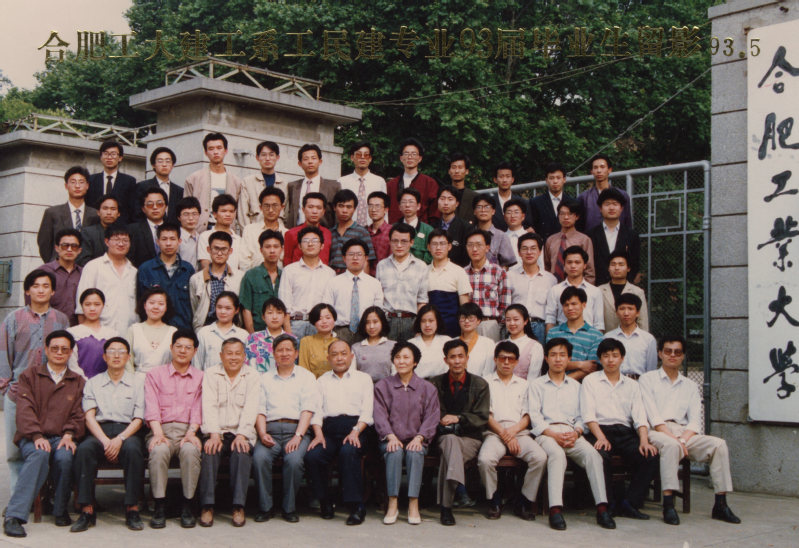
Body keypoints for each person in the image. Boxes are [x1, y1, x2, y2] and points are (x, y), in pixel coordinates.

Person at [641, 336, 741, 525]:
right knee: (671, 446)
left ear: (683, 356)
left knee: (718, 445)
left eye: (677, 352)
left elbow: (695, 422)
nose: (672, 355)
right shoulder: (647, 379)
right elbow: (654, 418)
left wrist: (683, 440)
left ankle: (720, 504)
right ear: (660, 353)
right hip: (656, 431)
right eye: (668, 351)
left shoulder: (690, 385)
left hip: (683, 433)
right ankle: (668, 504)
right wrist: (676, 441)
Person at [2, 330, 85, 538]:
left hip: (61, 436)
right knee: (39, 454)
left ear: (70, 352)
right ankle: (14, 516)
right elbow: (24, 410)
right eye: (54, 348)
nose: (59, 353)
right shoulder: (29, 376)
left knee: (65, 455)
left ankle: (60, 509)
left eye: (64, 349)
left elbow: (78, 413)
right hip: (33, 436)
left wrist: (69, 434)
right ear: (46, 350)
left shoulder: (77, 381)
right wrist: (37, 436)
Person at [528, 337, 616, 531]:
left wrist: (576, 433)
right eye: (553, 355)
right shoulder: (536, 385)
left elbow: (582, 416)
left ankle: (602, 508)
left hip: (571, 433)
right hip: (547, 434)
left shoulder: (577, 386)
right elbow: (535, 417)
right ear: (546, 358)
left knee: (593, 456)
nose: (558, 359)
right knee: (557, 455)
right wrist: (553, 434)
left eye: (562, 355)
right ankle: (555, 510)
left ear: (569, 359)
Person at [0, 270, 70, 491]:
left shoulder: (61, 320)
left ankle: (45, 496)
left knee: (46, 447)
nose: (41, 290)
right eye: (36, 286)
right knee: (15, 452)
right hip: (18, 392)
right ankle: (19, 497)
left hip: (51, 394)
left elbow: (66, 355)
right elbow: (4, 354)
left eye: (46, 286)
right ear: (28, 290)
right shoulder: (13, 319)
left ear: (53, 291)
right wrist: (6, 387)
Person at [71, 336, 146, 532]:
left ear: (128, 357)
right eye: (112, 351)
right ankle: (87, 509)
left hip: (127, 431)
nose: (116, 355)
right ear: (104, 357)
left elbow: (139, 418)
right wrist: (105, 441)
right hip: (99, 431)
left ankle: (132, 508)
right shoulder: (93, 382)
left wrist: (120, 439)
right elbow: (89, 416)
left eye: (121, 352)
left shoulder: (138, 383)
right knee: (84, 450)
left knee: (133, 450)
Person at [581, 338, 658, 519]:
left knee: (650, 456)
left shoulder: (632, 385)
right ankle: (608, 504)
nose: (610, 360)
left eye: (615, 355)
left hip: (625, 432)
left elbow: (640, 417)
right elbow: (588, 415)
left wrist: (644, 441)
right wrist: (601, 437)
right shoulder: (590, 381)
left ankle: (630, 503)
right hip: (599, 431)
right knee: (601, 456)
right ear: (600, 358)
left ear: (622, 358)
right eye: (606, 356)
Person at [305, 339, 373, 525]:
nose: (339, 358)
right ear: (328, 358)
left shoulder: (363, 379)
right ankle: (325, 501)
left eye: (344, 354)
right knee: (313, 456)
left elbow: (367, 411)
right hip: (328, 429)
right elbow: (316, 411)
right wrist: (318, 433)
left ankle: (356, 506)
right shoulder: (321, 381)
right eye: (334, 355)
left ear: (351, 356)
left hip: (357, 428)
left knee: (348, 452)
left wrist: (355, 431)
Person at [252, 334, 319, 523]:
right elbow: (260, 409)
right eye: (280, 350)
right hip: (270, 431)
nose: (284, 354)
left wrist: (298, 436)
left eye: (288, 350)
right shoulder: (264, 378)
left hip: (296, 430)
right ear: (273, 354)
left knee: (294, 460)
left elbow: (307, 409)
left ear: (296, 353)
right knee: (259, 458)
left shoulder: (306, 377)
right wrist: (262, 433)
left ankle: (289, 508)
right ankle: (265, 507)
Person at [478, 341, 547, 520]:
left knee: (540, 457)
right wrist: (505, 435)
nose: (506, 362)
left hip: (519, 433)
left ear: (517, 362)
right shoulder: (485, 382)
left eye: (511, 359)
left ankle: (523, 500)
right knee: (485, 460)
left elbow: (528, 416)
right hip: (494, 432)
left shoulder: (525, 385)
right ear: (495, 359)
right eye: (502, 358)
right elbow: (486, 415)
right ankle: (494, 499)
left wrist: (512, 433)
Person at [374, 340, 440, 525]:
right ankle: (392, 502)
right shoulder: (383, 386)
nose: (401, 361)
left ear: (415, 362)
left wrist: (420, 437)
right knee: (394, 451)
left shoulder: (427, 388)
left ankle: (413, 502)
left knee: (414, 453)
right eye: (397, 357)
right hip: (390, 438)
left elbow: (432, 416)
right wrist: (390, 436)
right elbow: (379, 414)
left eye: (406, 357)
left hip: (417, 438)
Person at [145, 329, 203, 529]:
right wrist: (158, 433)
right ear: (171, 348)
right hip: (160, 429)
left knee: (191, 451)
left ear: (195, 351)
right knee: (159, 450)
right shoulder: (155, 374)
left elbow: (198, 408)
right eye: (178, 346)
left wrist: (191, 432)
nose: (182, 351)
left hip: (188, 431)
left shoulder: (201, 377)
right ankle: (159, 505)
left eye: (188, 347)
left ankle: (188, 505)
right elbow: (151, 407)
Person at [197, 338, 259, 528]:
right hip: (217, 431)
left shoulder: (252, 375)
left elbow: (251, 407)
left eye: (238, 353)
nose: (233, 357)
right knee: (210, 451)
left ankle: (238, 506)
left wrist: (242, 434)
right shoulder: (211, 373)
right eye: (229, 353)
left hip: (241, 431)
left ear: (244, 356)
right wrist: (214, 434)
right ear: (221, 356)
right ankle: (207, 506)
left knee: (241, 452)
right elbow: (208, 405)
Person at [430, 339, 490, 526]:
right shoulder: (435, 383)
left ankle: (446, 507)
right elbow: (432, 412)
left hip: (470, 439)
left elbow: (482, 417)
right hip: (443, 437)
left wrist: (459, 418)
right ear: (445, 360)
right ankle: (459, 491)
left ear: (467, 358)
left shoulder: (480, 384)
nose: (457, 361)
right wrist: (443, 419)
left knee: (451, 449)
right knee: (449, 440)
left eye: (460, 356)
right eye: (452, 357)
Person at [75, 224, 138, 335]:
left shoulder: (134, 271)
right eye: (116, 240)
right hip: (99, 333)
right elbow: (81, 306)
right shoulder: (93, 267)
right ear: (107, 241)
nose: (121, 244)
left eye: (125, 240)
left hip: (128, 333)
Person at [278, 226, 336, 339]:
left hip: (320, 325)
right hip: (295, 325)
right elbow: (284, 304)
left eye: (315, 240)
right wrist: (289, 333)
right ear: (299, 246)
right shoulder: (289, 271)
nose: (310, 244)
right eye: (305, 241)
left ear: (322, 245)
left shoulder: (330, 273)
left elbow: (330, 306)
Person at [136, 222, 196, 331]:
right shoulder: (146, 269)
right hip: (154, 329)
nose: (168, 243)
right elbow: (140, 303)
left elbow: (193, 304)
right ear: (157, 242)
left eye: (172, 239)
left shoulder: (187, 269)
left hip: (182, 330)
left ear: (179, 241)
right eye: (164, 239)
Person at [323, 238, 384, 343]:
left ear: (366, 258)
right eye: (351, 254)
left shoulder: (375, 284)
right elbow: (326, 310)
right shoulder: (333, 282)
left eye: (359, 254)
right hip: (339, 332)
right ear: (344, 258)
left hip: (366, 332)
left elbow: (378, 312)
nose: (355, 258)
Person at [376, 223, 429, 340]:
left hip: (411, 322)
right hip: (387, 321)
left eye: (404, 241)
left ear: (412, 242)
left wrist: (418, 326)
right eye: (395, 241)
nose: (399, 245)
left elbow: (422, 300)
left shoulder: (421, 266)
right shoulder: (382, 265)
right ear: (390, 242)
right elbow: (378, 298)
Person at [38, 166, 99, 263]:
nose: (77, 186)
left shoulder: (96, 214)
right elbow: (44, 244)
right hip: (59, 266)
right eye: (73, 182)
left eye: (81, 182)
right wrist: (54, 265)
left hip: (87, 267)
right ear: (66, 186)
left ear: (87, 186)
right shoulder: (52, 213)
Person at [184, 132, 243, 231]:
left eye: (219, 148)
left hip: (227, 229)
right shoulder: (193, 179)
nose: (215, 152)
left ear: (226, 150)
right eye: (211, 149)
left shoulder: (236, 181)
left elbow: (238, 212)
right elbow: (186, 208)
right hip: (201, 229)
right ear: (206, 152)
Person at [507, 232, 557, 343]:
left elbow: (551, 311)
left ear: (540, 251)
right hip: (516, 326)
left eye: (533, 248)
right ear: (519, 252)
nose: (529, 252)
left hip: (540, 327)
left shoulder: (550, 279)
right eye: (524, 249)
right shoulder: (509, 276)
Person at [545, 287, 604, 381]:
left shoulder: (596, 335)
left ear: (583, 305)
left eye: (574, 304)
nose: (570, 308)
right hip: (555, 385)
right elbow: (551, 363)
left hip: (585, 385)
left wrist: (564, 381)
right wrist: (580, 364)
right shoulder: (553, 333)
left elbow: (592, 367)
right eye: (566, 305)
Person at [188, 231, 244, 330]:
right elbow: (195, 307)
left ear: (230, 251)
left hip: (233, 327)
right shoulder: (196, 279)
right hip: (205, 327)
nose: (219, 253)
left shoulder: (240, 277)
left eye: (224, 249)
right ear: (209, 250)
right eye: (216, 249)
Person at [464, 229, 511, 342]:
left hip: (490, 325)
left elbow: (505, 305)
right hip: (467, 325)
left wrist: (498, 325)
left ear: (487, 247)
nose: (474, 249)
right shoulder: (462, 273)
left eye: (479, 245)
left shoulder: (498, 272)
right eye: (470, 245)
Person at [545, 245, 604, 333]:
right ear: (564, 265)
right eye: (569, 262)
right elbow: (550, 319)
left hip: (588, 337)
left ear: (584, 265)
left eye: (577, 262)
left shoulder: (595, 291)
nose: (573, 266)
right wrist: (551, 339)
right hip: (562, 336)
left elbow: (599, 323)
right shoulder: (555, 290)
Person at [589, 187, 641, 286]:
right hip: (598, 286)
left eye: (615, 204)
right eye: (607, 204)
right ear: (600, 208)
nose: (611, 208)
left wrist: (627, 283)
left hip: (624, 286)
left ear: (621, 208)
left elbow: (635, 263)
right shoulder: (590, 235)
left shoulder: (632, 235)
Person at [426, 229, 472, 337]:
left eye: (442, 244)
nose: (438, 248)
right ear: (428, 247)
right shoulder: (423, 272)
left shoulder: (459, 271)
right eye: (434, 244)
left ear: (449, 246)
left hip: (453, 329)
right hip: (429, 329)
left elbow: (464, 306)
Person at [32, 228, 83, 325]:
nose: (69, 249)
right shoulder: (44, 272)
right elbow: (32, 302)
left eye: (74, 246)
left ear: (79, 250)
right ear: (57, 248)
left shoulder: (83, 273)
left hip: (76, 328)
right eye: (65, 246)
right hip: (48, 326)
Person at [285, 143, 340, 228]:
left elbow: (337, 215)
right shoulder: (293, 186)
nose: (310, 161)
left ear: (320, 161)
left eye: (313, 158)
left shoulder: (333, 186)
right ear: (300, 163)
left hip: (323, 232)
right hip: (297, 231)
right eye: (306, 159)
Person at [240, 229, 285, 333]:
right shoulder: (251, 276)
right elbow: (246, 309)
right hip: (258, 332)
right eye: (268, 247)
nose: (272, 251)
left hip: (281, 334)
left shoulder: (285, 275)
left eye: (276, 246)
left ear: (282, 249)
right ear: (261, 250)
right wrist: (253, 336)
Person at [604, 293, 657, 379]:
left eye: (630, 309)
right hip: (614, 382)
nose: (626, 313)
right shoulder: (608, 337)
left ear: (638, 313)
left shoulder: (648, 339)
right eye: (622, 309)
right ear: (616, 312)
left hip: (640, 383)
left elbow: (651, 370)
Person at [386, 138, 439, 223]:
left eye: (414, 154)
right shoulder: (391, 185)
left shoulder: (429, 183)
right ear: (401, 158)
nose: (410, 157)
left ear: (420, 158)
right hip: (395, 228)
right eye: (406, 154)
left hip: (421, 229)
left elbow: (434, 212)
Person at [126, 288, 177, 375]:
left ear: (166, 307)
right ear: (145, 305)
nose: (156, 307)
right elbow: (127, 361)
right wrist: (132, 380)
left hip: (165, 380)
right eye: (152, 303)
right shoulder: (134, 330)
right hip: (138, 379)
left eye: (161, 304)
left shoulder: (173, 332)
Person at [68, 288, 117, 379]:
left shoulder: (112, 334)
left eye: (97, 304)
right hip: (79, 382)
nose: (92, 308)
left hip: (107, 382)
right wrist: (86, 382)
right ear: (81, 306)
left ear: (103, 306)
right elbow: (72, 364)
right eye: (87, 304)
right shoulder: (72, 333)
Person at [544, 199, 596, 283]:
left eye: (570, 214)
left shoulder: (584, 240)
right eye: (562, 214)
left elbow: (589, 270)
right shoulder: (551, 240)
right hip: (554, 286)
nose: (566, 217)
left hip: (576, 286)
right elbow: (547, 266)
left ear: (577, 217)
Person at [578, 154, 632, 233]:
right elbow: (579, 226)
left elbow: (627, 222)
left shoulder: (622, 195)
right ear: (592, 171)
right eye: (595, 167)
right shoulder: (584, 198)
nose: (599, 171)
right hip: (591, 239)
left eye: (602, 167)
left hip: (617, 238)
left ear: (609, 170)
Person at [238, 141, 287, 228]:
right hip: (254, 231)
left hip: (278, 231)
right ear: (257, 157)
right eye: (263, 155)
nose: (267, 158)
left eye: (271, 155)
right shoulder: (248, 182)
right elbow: (242, 214)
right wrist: (248, 233)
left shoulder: (284, 184)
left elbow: (287, 213)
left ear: (277, 157)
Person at [195, 292, 248, 371]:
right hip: (209, 378)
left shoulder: (243, 335)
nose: (223, 311)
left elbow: (246, 365)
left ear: (236, 310)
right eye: (219, 307)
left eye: (228, 308)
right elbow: (197, 364)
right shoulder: (204, 333)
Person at [87, 140, 138, 224]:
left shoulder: (129, 181)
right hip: (94, 226)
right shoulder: (91, 180)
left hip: (120, 227)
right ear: (101, 157)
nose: (109, 157)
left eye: (113, 154)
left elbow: (131, 209)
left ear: (120, 158)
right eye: (106, 153)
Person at [339, 142, 387, 227]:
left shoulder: (379, 182)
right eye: (358, 155)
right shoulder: (342, 182)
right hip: (348, 229)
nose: (362, 157)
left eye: (366, 155)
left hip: (373, 229)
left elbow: (384, 210)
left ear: (370, 158)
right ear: (352, 158)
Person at [600, 251, 649, 332]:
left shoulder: (637, 292)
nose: (616, 268)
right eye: (613, 264)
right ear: (608, 268)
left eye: (621, 264)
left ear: (628, 268)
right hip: (606, 338)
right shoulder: (599, 291)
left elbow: (642, 321)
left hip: (631, 337)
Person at [240, 188, 287, 271]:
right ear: (260, 207)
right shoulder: (250, 230)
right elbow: (244, 262)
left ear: (282, 207)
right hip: (254, 277)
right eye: (266, 206)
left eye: (275, 205)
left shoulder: (287, 234)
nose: (271, 210)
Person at [329, 189, 376, 272]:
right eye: (341, 206)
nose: (344, 210)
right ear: (334, 207)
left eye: (349, 207)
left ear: (354, 209)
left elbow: (366, 261)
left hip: (352, 274)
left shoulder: (362, 232)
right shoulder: (330, 232)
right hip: (331, 274)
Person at [282, 193, 334, 266]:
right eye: (310, 207)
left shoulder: (328, 233)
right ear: (303, 209)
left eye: (319, 208)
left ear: (323, 212)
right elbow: (287, 260)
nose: (314, 211)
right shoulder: (291, 234)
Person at [136, 146, 184, 224]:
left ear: (173, 165)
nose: (164, 164)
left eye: (168, 161)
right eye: (160, 161)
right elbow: (137, 213)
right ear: (153, 165)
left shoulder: (179, 191)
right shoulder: (142, 187)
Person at [245, 297, 293, 373]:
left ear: (284, 316)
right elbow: (246, 365)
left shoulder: (292, 340)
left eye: (279, 313)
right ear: (263, 317)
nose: (274, 317)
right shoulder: (253, 338)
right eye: (270, 313)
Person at [529, 163, 575, 240]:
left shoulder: (573, 202)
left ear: (564, 179)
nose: (555, 181)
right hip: (544, 244)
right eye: (551, 178)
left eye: (558, 178)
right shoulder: (535, 203)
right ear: (546, 180)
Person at [197, 194, 243, 271]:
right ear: (214, 214)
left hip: (234, 277)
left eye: (231, 211)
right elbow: (205, 264)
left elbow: (240, 266)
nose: (228, 214)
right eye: (223, 211)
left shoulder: (239, 240)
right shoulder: (205, 236)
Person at [471, 194, 517, 267]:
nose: (483, 210)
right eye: (479, 207)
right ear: (474, 211)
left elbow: (508, 264)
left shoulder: (501, 236)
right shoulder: (469, 233)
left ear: (493, 211)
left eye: (487, 207)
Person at [352, 306, 395, 382]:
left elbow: (396, 374)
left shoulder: (393, 346)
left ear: (382, 322)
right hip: (363, 387)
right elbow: (352, 374)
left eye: (375, 322)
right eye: (368, 323)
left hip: (387, 387)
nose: (371, 326)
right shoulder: (356, 348)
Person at [430, 185, 469, 267]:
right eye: (442, 199)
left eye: (450, 199)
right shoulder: (431, 227)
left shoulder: (466, 228)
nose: (445, 203)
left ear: (457, 203)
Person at [127, 187, 167, 267]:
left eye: (159, 204)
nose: (155, 207)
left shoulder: (174, 228)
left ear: (165, 206)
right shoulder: (132, 230)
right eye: (150, 204)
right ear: (143, 209)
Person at [502, 304, 544, 379]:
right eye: (508, 320)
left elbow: (533, 378)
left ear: (525, 321)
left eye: (516, 319)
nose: (512, 323)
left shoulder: (535, 347)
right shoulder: (498, 345)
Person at [77, 194, 121, 266]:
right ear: (98, 212)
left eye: (113, 209)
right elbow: (83, 260)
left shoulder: (125, 233)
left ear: (118, 213)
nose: (109, 212)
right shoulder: (88, 233)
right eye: (105, 208)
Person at [409, 304, 450, 379]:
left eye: (431, 321)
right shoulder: (410, 344)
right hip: (417, 384)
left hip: (442, 383)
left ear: (437, 321)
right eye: (423, 321)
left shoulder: (446, 341)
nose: (427, 325)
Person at [298, 303, 338, 378]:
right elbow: (303, 369)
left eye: (328, 318)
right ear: (314, 322)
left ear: (334, 319)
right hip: (312, 383)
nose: (324, 321)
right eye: (319, 319)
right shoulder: (306, 341)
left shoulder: (339, 343)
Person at [487, 162, 531, 231]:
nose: (504, 180)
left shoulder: (523, 202)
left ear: (512, 179)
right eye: (501, 177)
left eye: (508, 176)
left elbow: (528, 225)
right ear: (495, 179)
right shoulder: (489, 203)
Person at [456, 303, 496, 377]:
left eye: (471, 318)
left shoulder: (488, 343)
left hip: (481, 383)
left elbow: (488, 371)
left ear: (478, 321)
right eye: (463, 317)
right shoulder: (452, 342)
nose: (466, 321)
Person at [398, 188, 433, 264]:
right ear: (399, 207)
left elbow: (432, 257)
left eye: (411, 202)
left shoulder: (428, 230)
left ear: (418, 206)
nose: (407, 205)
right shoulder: (392, 229)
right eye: (404, 202)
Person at [446, 152, 477, 223]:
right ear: (449, 171)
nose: (456, 171)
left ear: (467, 171)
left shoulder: (474, 197)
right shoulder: (442, 195)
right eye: (453, 167)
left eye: (460, 167)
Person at [365, 191, 392, 272]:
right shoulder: (364, 231)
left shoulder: (392, 232)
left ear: (386, 210)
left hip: (385, 275)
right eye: (370, 206)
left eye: (378, 206)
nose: (373, 210)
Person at [504, 197, 532, 266]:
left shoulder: (532, 238)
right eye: (509, 212)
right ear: (504, 217)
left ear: (523, 216)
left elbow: (540, 265)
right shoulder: (500, 238)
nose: (512, 216)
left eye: (516, 212)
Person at [177, 196, 203, 270]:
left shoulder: (201, 238)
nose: (191, 218)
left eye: (194, 214)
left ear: (199, 215)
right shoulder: (176, 238)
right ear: (179, 217)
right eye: (186, 214)